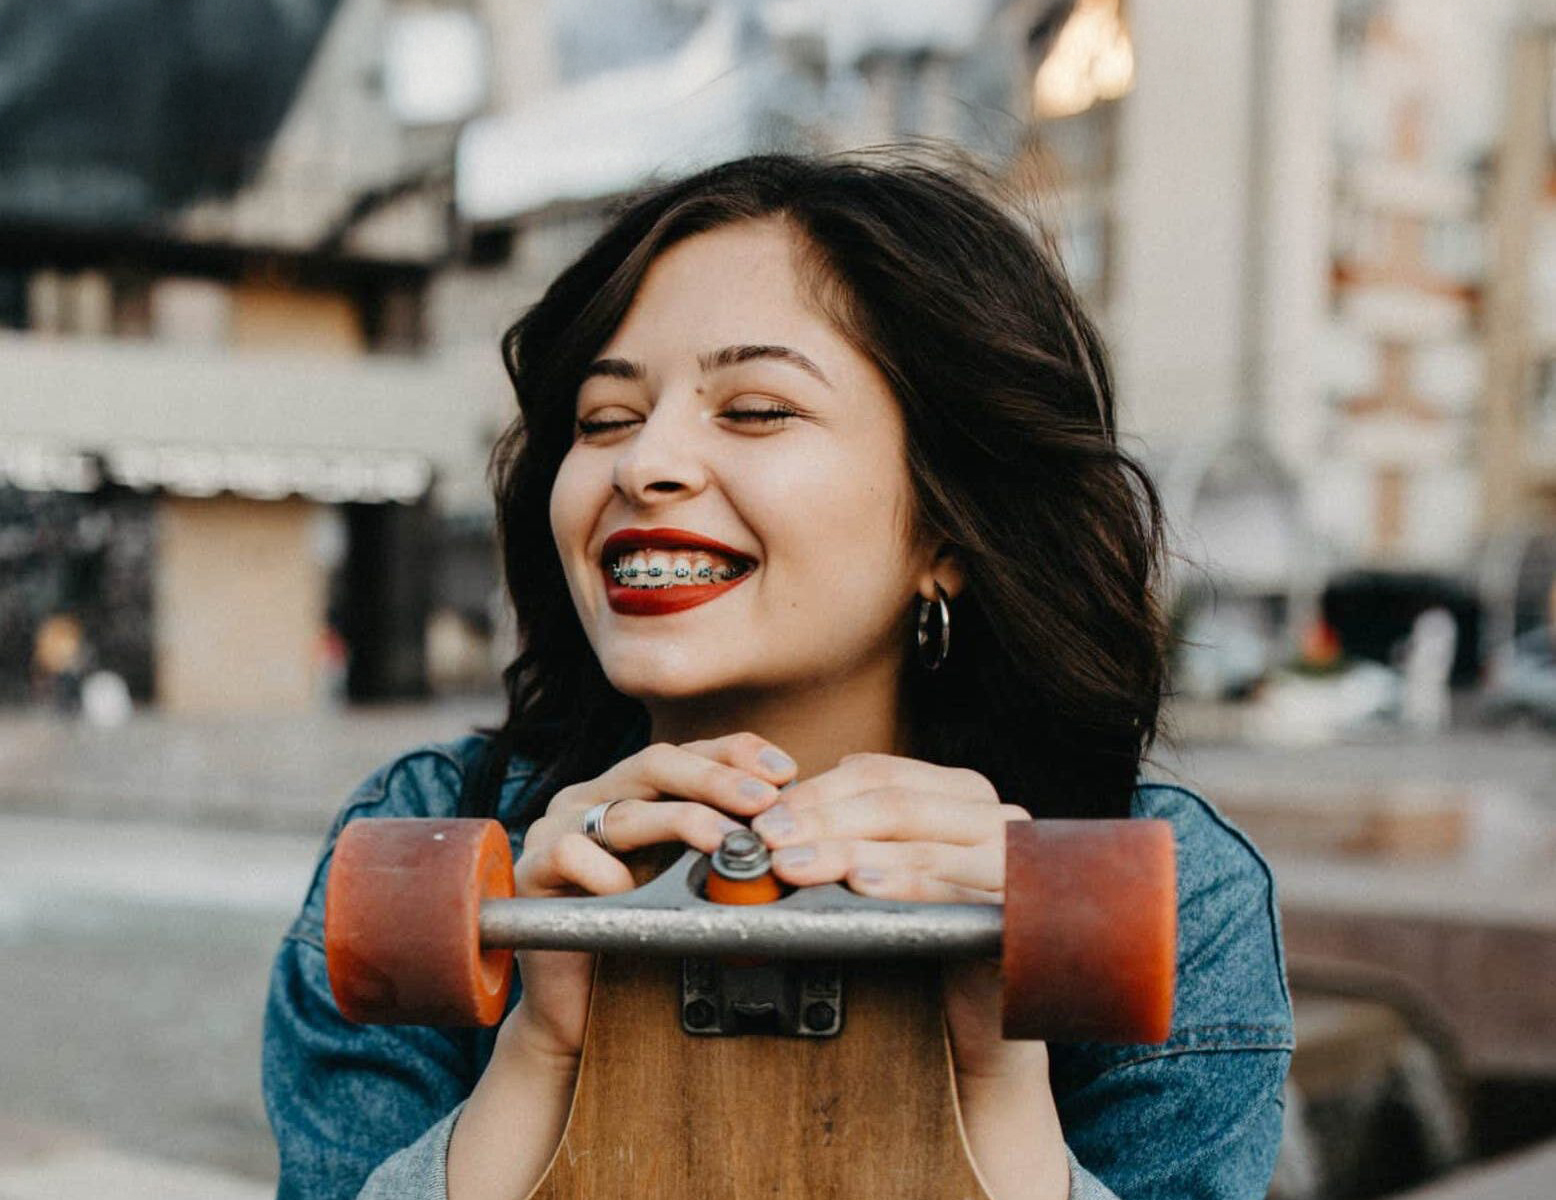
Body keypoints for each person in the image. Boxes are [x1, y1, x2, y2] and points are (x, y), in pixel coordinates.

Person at [264, 152, 1293, 1200]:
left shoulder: (1166, 889)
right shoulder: (430, 833)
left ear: (951, 520)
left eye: (755, 409)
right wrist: (543, 1049)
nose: (642, 463)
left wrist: (996, 1079)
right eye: (605, 417)